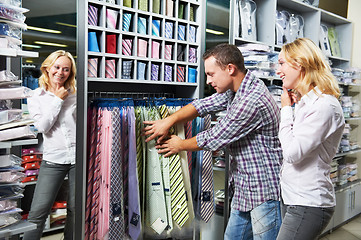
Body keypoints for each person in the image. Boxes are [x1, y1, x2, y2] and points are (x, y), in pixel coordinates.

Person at [144, 43, 283, 239]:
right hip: (244, 187)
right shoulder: (237, 89)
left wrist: (179, 144)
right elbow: (202, 105)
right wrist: (170, 120)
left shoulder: (251, 100)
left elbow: (216, 137)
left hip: (263, 191)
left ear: (230, 69)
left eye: (211, 74)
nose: (208, 81)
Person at [276, 38, 345, 240]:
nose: (277, 70)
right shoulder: (307, 104)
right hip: (293, 197)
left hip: (308, 202)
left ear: (300, 63)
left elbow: (292, 153)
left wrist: (286, 110)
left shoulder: (324, 106)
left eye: (281, 63)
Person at [23, 50, 77, 240]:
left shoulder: (76, 95)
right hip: (53, 160)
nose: (60, 73)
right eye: (57, 67)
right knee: (38, 212)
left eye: (66, 69)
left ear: (70, 73)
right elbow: (43, 127)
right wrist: (57, 100)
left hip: (78, 159)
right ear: (47, 68)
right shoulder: (35, 96)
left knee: (75, 210)